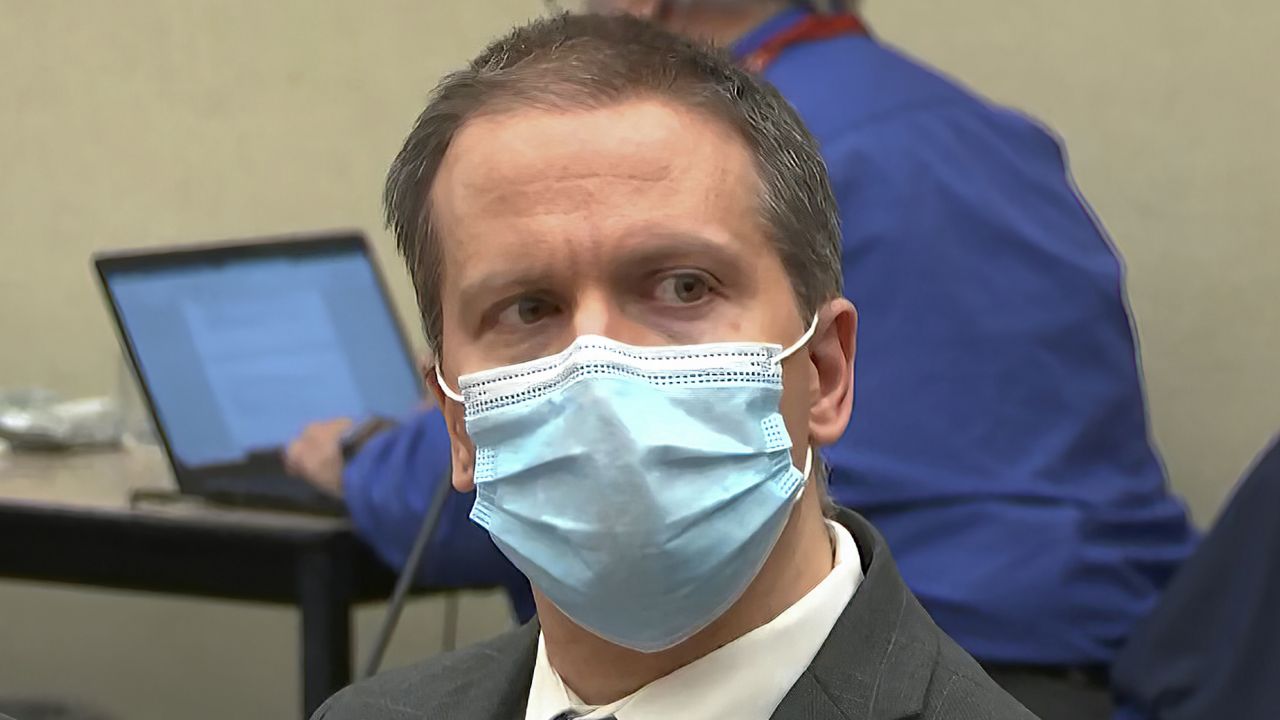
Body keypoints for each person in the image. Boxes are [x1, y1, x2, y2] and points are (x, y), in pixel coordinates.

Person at [294, 2, 1197, 716]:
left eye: (683, 288)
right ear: (458, 413)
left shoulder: (750, 147)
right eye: (530, 308)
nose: (598, 375)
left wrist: (366, 460)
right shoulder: (985, 138)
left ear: (829, 371)